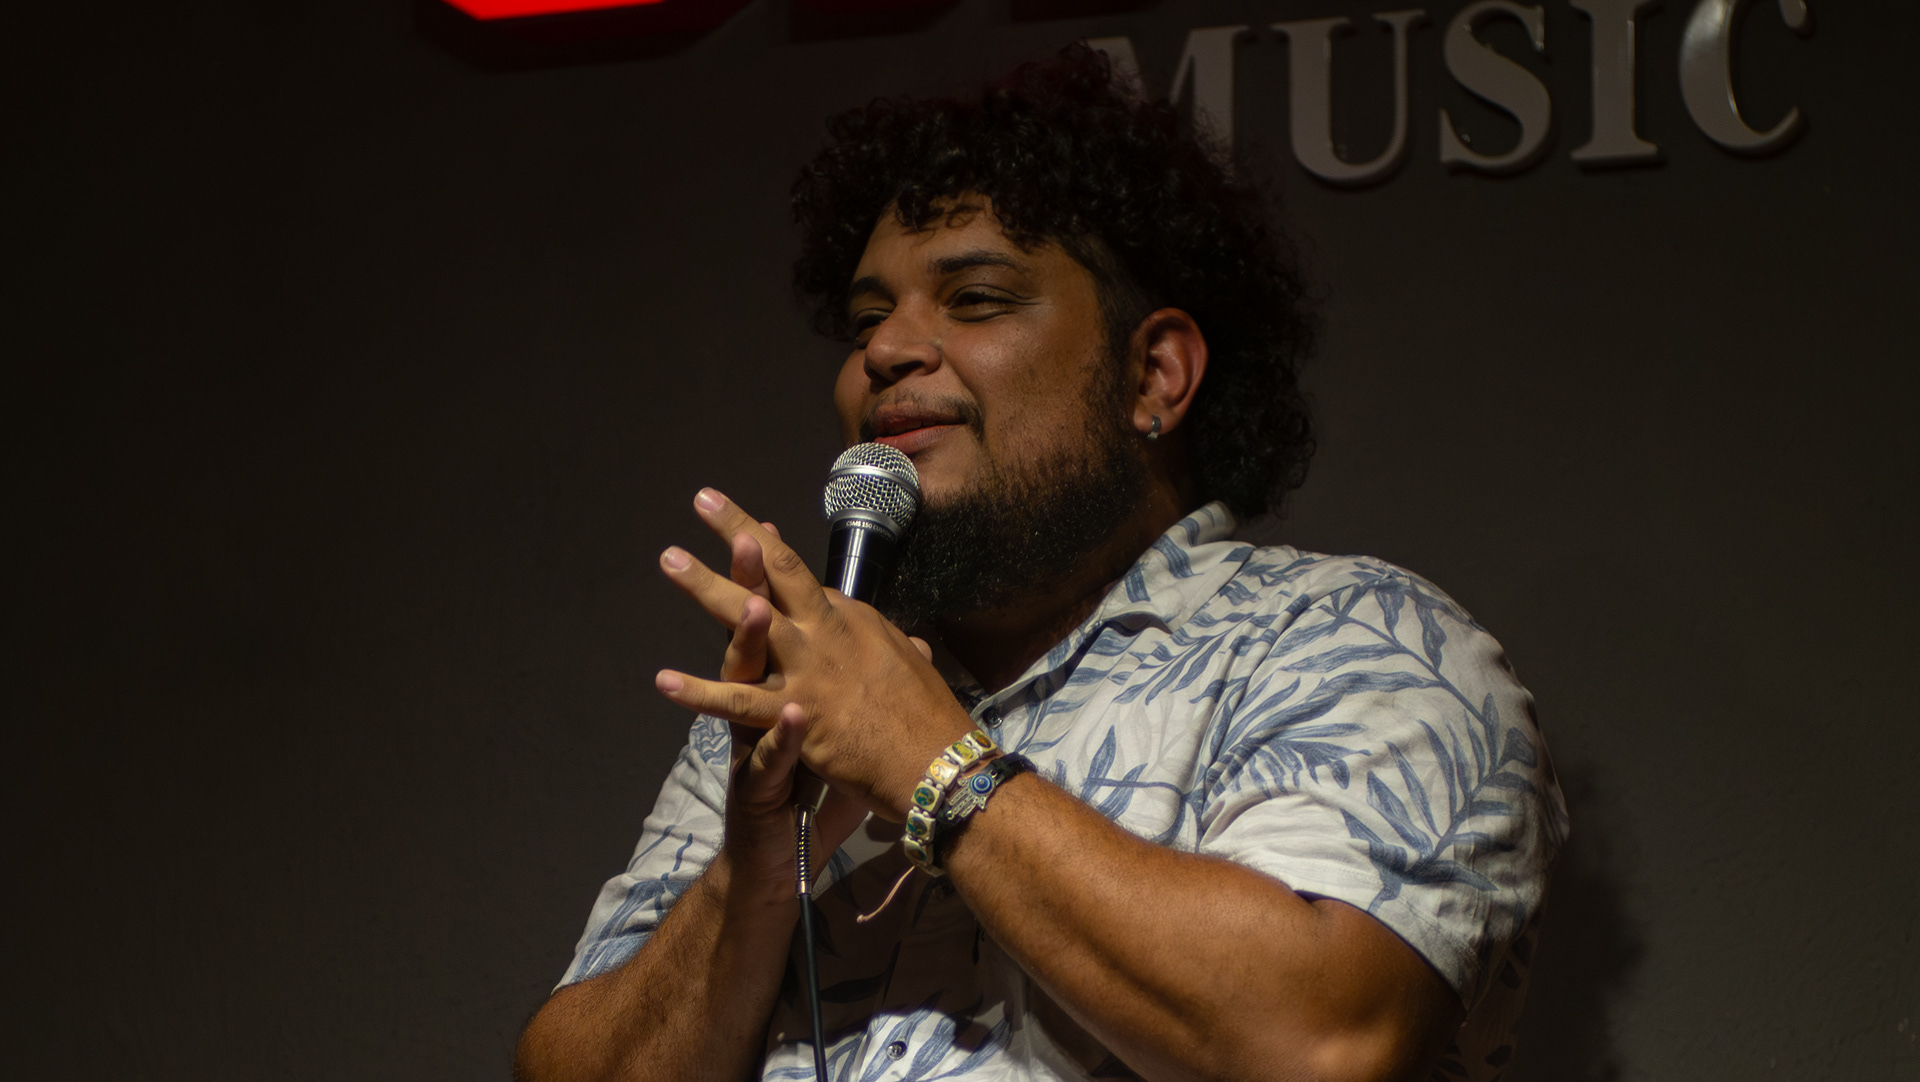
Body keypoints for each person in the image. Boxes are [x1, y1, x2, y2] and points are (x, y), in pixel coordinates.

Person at [515, 45, 1566, 1082]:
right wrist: (748, 881)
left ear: (1154, 374)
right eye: (868, 317)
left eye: (975, 299)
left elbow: (1322, 1044)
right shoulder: (796, 695)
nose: (886, 350)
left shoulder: (1356, 640)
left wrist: (929, 759)